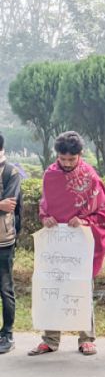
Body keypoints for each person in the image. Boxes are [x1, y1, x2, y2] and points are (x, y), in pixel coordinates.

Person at [28, 132, 105, 356]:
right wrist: (45, 218)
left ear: (80, 154)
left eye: (71, 159)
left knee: (82, 288)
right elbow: (44, 204)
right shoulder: (50, 175)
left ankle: (86, 339)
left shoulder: (90, 177)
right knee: (52, 287)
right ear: (57, 155)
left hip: (80, 244)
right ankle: (50, 339)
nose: (67, 163)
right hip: (56, 243)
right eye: (62, 159)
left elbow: (104, 212)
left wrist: (85, 221)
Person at [0, 133, 21, 354]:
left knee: (5, 289)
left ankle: (7, 333)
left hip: (3, 241)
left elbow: (10, 205)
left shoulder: (10, 172)